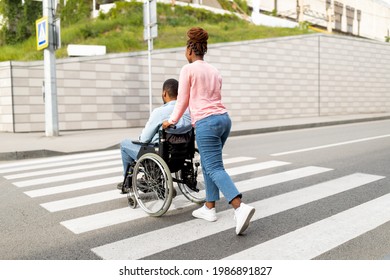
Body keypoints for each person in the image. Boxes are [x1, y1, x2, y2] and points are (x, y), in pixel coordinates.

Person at [162, 27, 256, 235]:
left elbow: (182, 101)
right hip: (224, 120)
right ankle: (209, 208)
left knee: (213, 167)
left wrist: (171, 121)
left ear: (189, 50)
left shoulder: (188, 70)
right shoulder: (214, 70)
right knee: (209, 163)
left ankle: (239, 207)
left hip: (207, 123)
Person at [118, 78, 191, 190]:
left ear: (164, 93)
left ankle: (128, 182)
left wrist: (140, 138)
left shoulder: (160, 112)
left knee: (124, 144)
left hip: (160, 155)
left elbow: (144, 139)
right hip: (181, 156)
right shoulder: (188, 110)